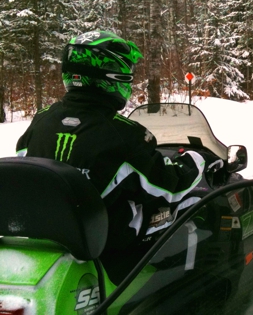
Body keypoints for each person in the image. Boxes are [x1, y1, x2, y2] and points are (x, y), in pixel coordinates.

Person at [16, 30, 211, 283]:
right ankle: (189, 283)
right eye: (127, 71)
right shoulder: (123, 134)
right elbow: (169, 187)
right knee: (189, 204)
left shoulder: (41, 120)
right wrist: (196, 161)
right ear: (113, 75)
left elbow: (25, 165)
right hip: (107, 244)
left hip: (44, 234)